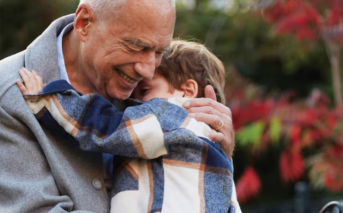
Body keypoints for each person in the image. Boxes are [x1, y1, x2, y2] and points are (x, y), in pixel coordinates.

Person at [0, 0, 234, 213]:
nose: (148, 71)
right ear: (84, 23)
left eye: (159, 52)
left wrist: (214, 154)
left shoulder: (157, 92)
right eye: (136, 46)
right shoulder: (1, 96)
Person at [17, 40, 241, 213]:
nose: (134, 104)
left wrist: (49, 100)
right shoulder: (217, 149)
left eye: (145, 91)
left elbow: (105, 128)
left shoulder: (169, 116)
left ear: (187, 90)